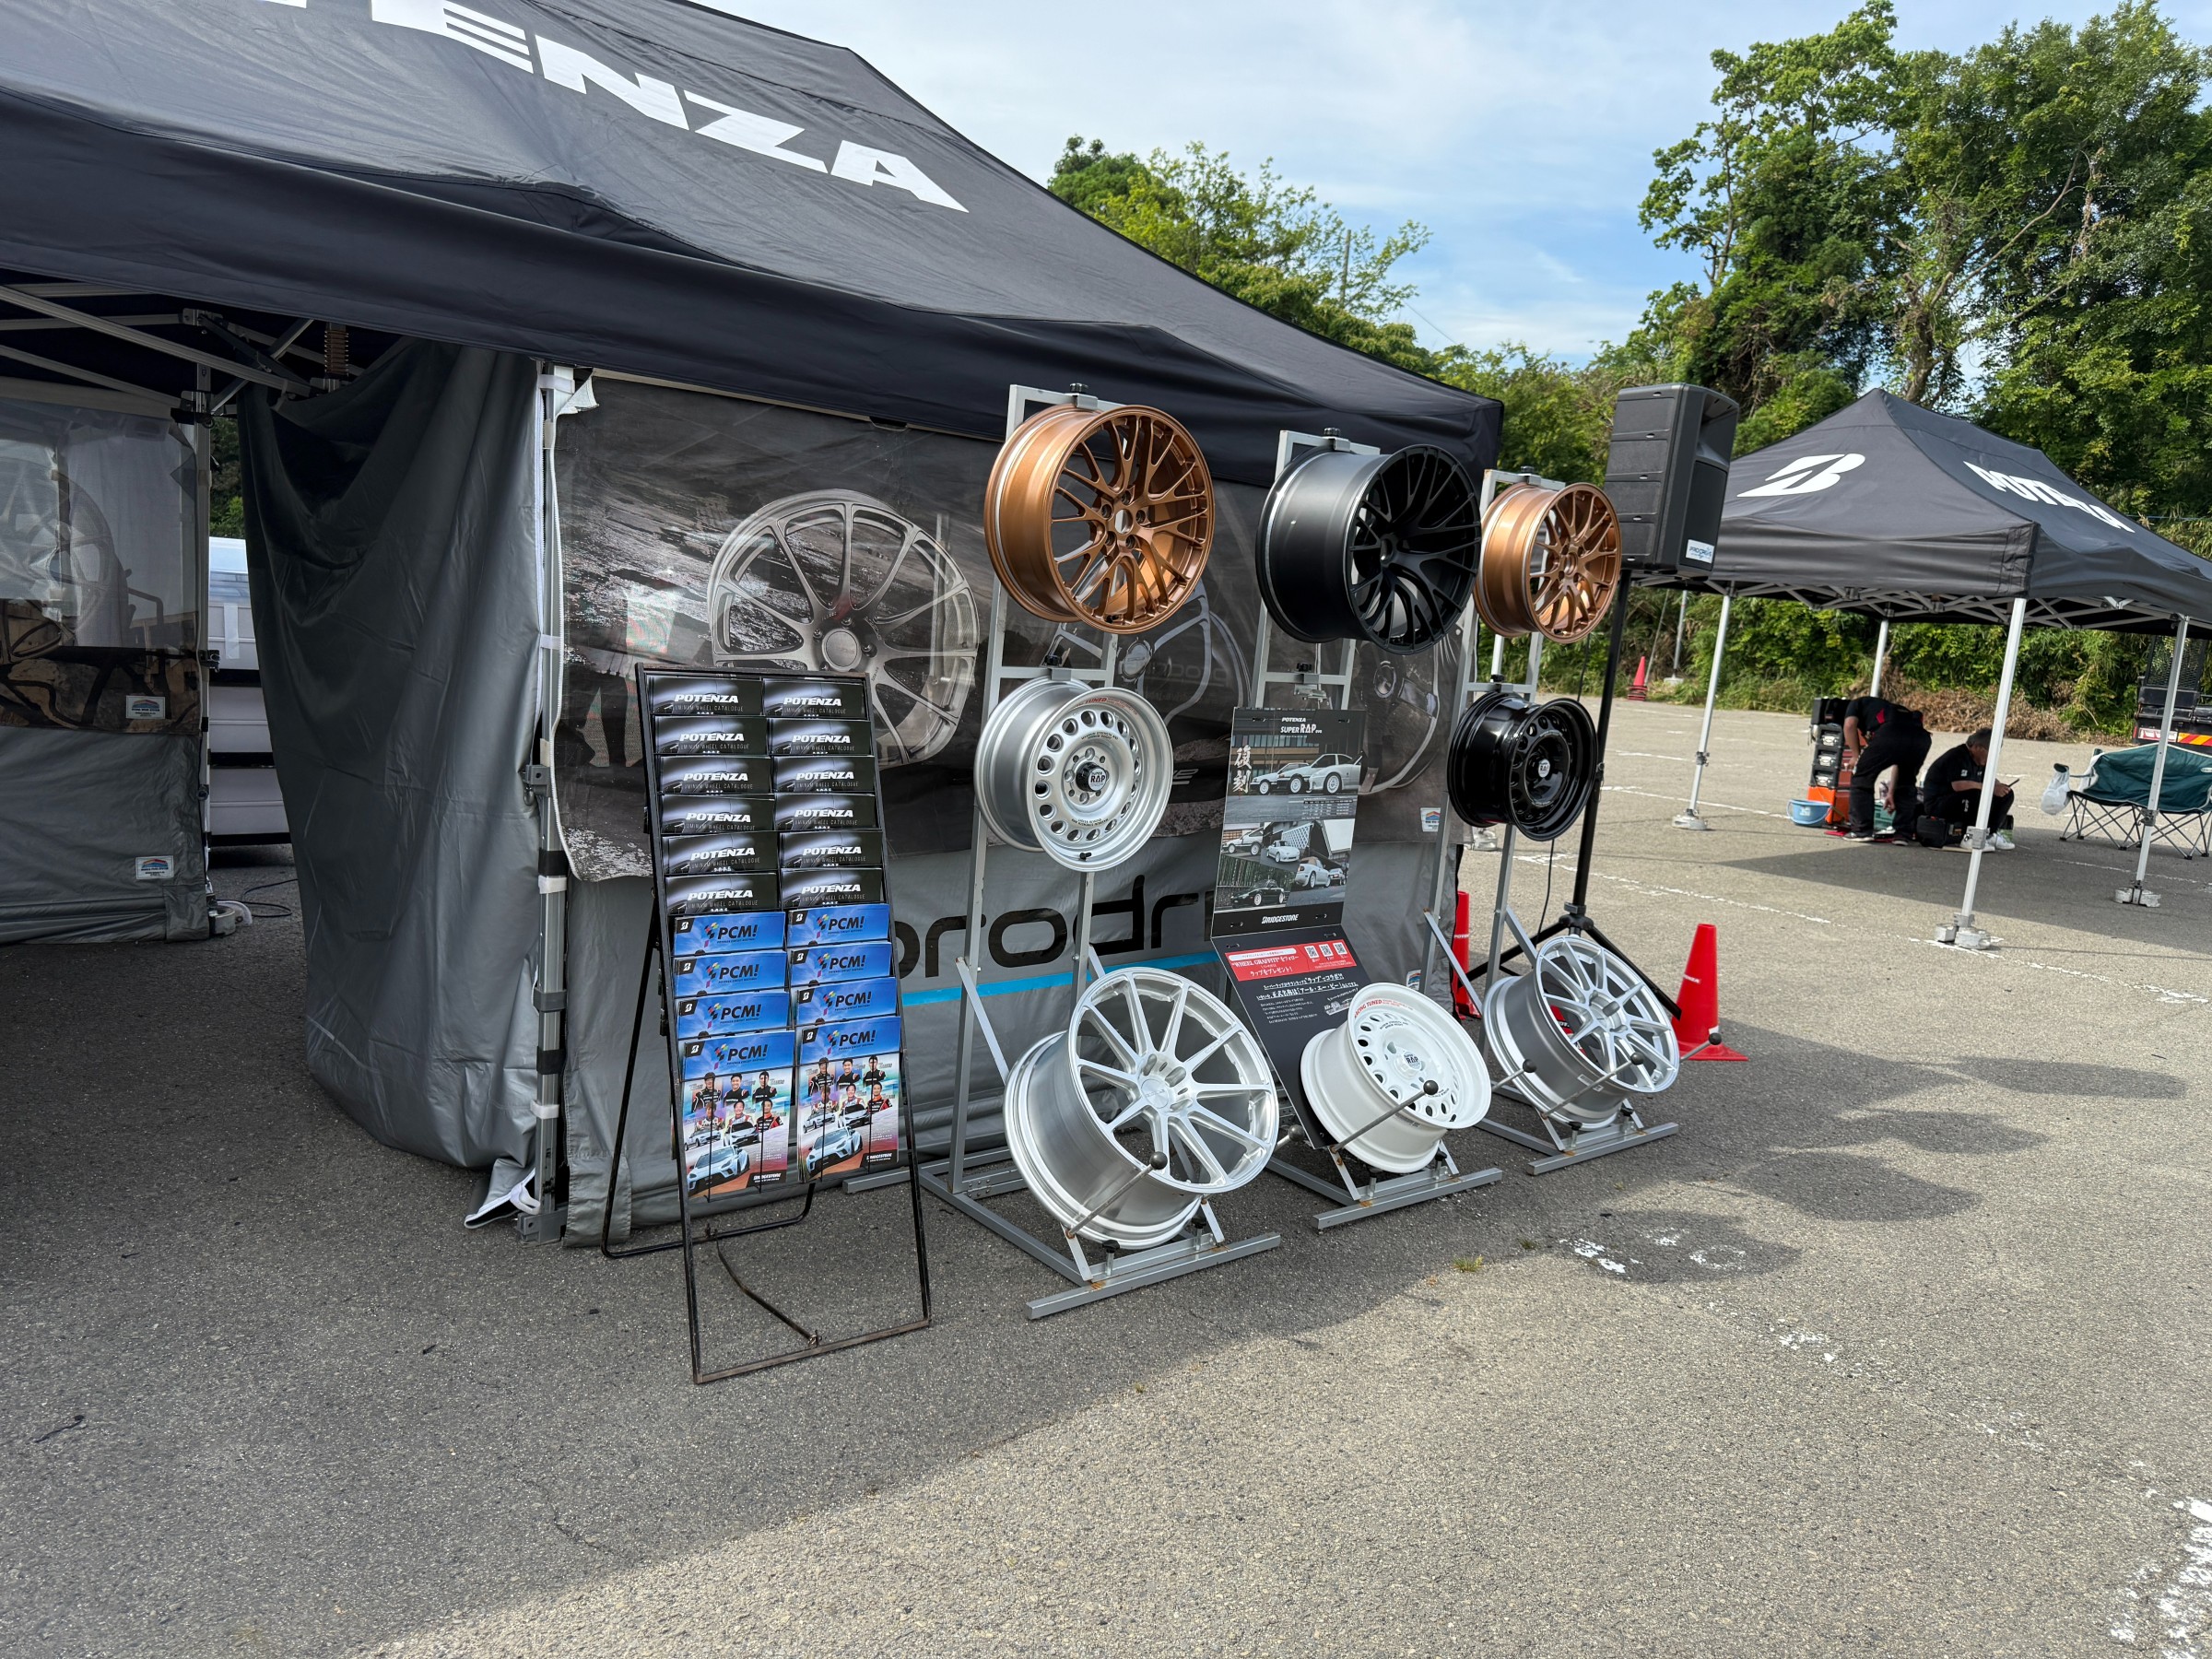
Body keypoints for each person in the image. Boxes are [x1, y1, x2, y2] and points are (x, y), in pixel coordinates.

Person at [1841, 692, 1929, 841]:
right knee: (1906, 783)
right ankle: (1903, 835)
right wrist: (1891, 793)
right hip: (1920, 738)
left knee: (1862, 779)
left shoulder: (1855, 703)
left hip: (1890, 733)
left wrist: (1856, 756)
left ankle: (1861, 831)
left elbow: (1849, 725)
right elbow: (1899, 763)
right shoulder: (1889, 709)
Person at [1918, 727, 2016, 849]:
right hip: (1939, 803)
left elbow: (1988, 779)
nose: (1992, 758)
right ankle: (1969, 837)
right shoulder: (1957, 756)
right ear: (1978, 747)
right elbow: (1958, 785)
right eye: (1990, 752)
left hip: (1960, 801)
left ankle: (1989, 834)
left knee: (2006, 795)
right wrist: (1989, 789)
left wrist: (1999, 787)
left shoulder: (1980, 761)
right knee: (1975, 794)